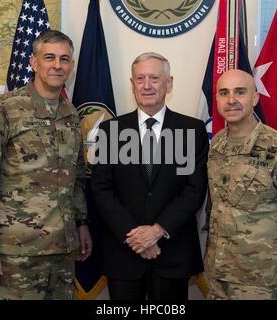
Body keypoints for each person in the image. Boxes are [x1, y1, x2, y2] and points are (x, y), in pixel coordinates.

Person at [0, 30, 92, 300]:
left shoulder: (71, 115)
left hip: (62, 252)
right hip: (13, 253)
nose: (57, 65)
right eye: (49, 57)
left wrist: (81, 223)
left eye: (64, 59)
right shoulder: (2, 109)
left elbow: (76, 178)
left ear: (71, 65)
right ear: (33, 62)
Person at [90, 52, 208, 300]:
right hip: (123, 253)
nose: (147, 85)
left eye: (154, 78)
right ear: (132, 84)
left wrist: (157, 231)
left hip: (172, 253)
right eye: (140, 78)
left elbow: (194, 190)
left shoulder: (191, 130)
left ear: (169, 83)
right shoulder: (111, 131)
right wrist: (135, 235)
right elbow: (102, 189)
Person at [204, 69, 277, 300]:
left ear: (255, 98)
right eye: (224, 93)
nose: (231, 100)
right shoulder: (217, 145)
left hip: (261, 282)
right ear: (217, 99)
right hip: (219, 276)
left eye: (240, 92)